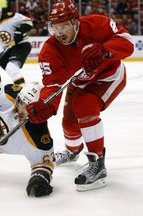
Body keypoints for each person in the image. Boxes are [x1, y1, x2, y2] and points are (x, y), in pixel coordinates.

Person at [26, 0, 134, 192]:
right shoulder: (50, 50)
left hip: (109, 77)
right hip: (81, 82)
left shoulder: (97, 24)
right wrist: (46, 104)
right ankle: (72, 151)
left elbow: (128, 43)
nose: (59, 33)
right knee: (69, 122)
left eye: (64, 26)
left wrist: (105, 50)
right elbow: (53, 84)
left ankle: (97, 163)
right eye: (55, 27)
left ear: (76, 22)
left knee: (84, 104)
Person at [0, 4, 33, 87]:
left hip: (22, 44)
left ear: (0, 13)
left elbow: (28, 21)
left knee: (11, 68)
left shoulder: (10, 17)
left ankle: (23, 90)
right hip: (8, 49)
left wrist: (20, 31)